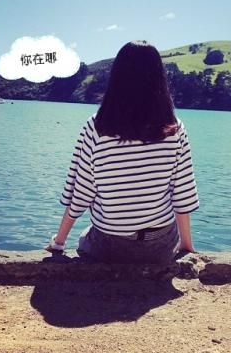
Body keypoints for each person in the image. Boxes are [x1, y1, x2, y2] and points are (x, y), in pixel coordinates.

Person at [44, 40, 199, 264]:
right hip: (160, 247)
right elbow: (182, 192)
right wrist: (186, 244)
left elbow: (82, 190)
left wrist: (59, 241)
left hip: (110, 247)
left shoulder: (96, 126)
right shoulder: (174, 128)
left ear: (116, 77)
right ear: (159, 78)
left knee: (85, 236)